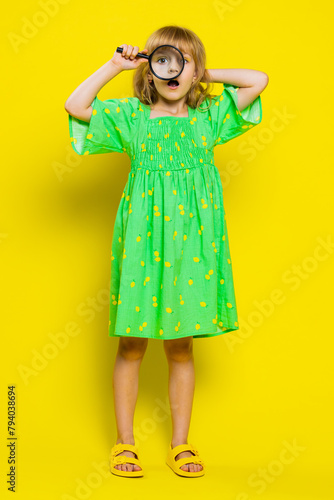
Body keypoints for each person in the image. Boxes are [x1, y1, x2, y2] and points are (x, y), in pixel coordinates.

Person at [64, 24, 268, 479]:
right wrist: (115, 66)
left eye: (180, 62)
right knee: (132, 343)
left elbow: (258, 80)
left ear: (193, 73)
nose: (171, 70)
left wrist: (203, 72)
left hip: (193, 247)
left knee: (181, 347)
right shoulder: (131, 118)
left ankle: (180, 443)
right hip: (141, 242)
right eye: (162, 61)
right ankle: (125, 442)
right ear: (149, 71)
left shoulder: (209, 116)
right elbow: (75, 106)